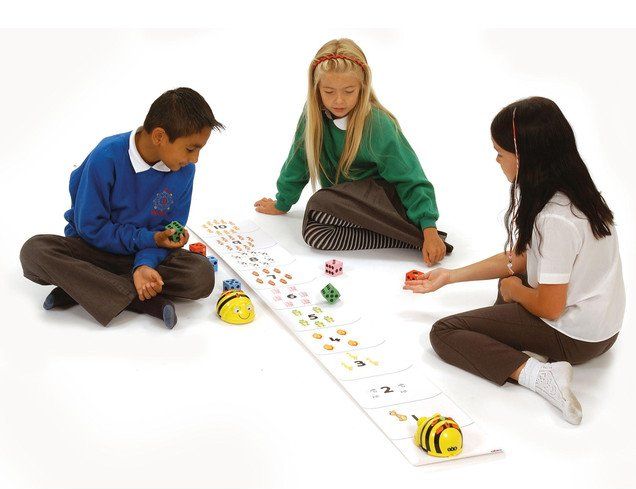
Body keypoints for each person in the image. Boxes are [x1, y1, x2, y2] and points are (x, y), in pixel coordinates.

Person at [404, 97, 625, 424]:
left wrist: (514, 291)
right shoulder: (577, 195)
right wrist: (450, 276)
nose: (496, 160)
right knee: (509, 280)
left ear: (523, 158)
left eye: (500, 153)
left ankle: (538, 374)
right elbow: (518, 260)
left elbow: (550, 307)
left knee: (445, 332)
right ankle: (522, 346)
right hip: (603, 327)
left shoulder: (556, 219)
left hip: (577, 337)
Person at [20, 87, 224, 329]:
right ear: (159, 136)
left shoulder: (184, 171)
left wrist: (145, 264)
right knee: (34, 251)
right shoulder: (106, 156)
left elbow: (167, 232)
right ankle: (143, 301)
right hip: (94, 249)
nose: (195, 159)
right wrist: (150, 239)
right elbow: (91, 228)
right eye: (191, 149)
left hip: (143, 253)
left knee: (201, 274)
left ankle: (82, 290)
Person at [254, 38, 451, 266]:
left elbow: (411, 178)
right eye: (329, 91)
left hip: (383, 203)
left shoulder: (378, 124)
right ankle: (401, 238)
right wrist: (282, 202)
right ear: (316, 89)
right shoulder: (313, 116)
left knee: (318, 203)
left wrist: (429, 228)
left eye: (349, 91)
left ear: (363, 87)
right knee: (314, 232)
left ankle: (411, 234)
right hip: (346, 204)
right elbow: (298, 160)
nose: (339, 100)